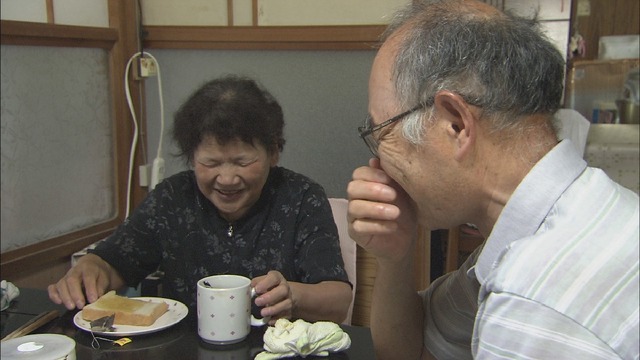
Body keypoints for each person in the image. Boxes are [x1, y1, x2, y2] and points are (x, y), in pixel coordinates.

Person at [347, 1, 639, 359]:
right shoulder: (575, 211)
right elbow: (411, 348)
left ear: (455, 123)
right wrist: (395, 257)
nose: (377, 163)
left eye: (381, 132)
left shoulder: (533, 300)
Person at [49, 75, 352, 324]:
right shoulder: (172, 198)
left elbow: (337, 299)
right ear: (191, 157)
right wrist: (91, 268)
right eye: (211, 163)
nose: (227, 178)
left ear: (273, 152)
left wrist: (292, 295)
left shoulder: (300, 197)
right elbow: (114, 264)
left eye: (242, 162)